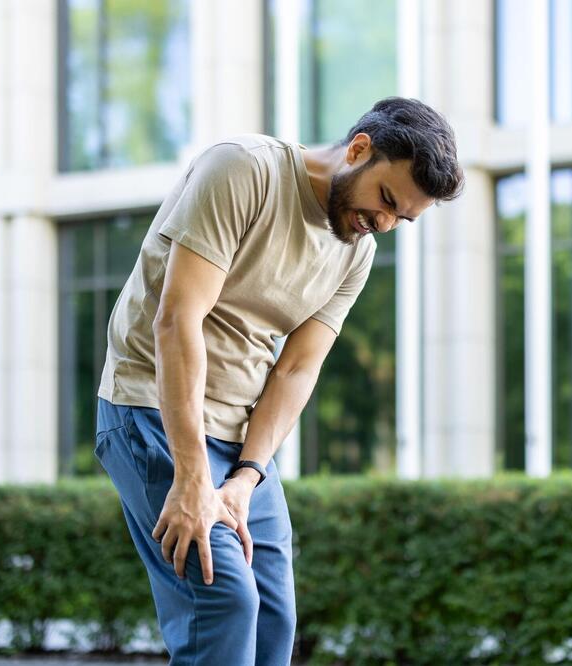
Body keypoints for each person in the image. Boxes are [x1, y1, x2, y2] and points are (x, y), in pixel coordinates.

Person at [92, 97, 463, 665]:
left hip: (241, 437)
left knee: (272, 614)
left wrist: (246, 475)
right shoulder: (244, 170)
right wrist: (192, 474)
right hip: (152, 411)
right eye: (385, 200)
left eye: (401, 220)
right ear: (359, 149)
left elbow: (295, 369)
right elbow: (176, 318)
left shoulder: (355, 252)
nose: (383, 224)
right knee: (224, 603)